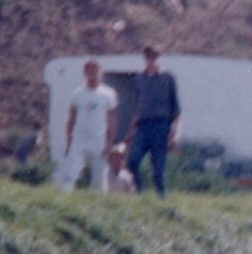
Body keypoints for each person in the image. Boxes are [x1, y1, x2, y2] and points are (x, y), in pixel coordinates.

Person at [125, 45, 181, 197]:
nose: (152, 60)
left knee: (158, 169)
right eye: (149, 57)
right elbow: (138, 107)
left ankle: (162, 201)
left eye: (155, 57)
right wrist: (131, 131)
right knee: (132, 160)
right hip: (142, 126)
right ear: (145, 58)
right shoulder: (139, 79)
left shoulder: (168, 78)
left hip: (161, 126)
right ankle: (140, 192)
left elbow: (176, 108)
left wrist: (176, 133)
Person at [59, 59, 118, 192]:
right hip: (79, 141)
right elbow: (71, 119)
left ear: (101, 74)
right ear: (85, 73)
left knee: (100, 181)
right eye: (89, 73)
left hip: (99, 141)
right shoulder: (77, 94)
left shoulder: (108, 94)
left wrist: (110, 143)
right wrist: (69, 142)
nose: (92, 76)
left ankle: (99, 208)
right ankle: (62, 203)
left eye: (95, 72)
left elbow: (112, 120)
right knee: (70, 175)